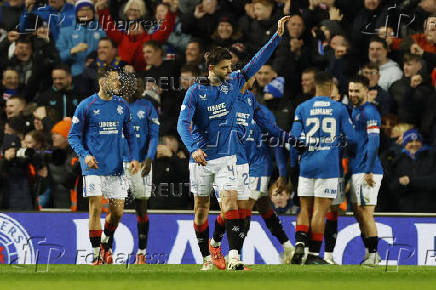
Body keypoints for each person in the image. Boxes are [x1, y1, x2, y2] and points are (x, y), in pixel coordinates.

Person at [177, 16, 291, 271]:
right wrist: (193, 147)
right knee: (200, 210)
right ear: (211, 68)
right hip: (202, 157)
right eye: (225, 68)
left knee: (230, 205)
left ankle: (234, 257)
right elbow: (182, 123)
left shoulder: (236, 82)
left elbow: (257, 62)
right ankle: (208, 256)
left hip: (227, 157)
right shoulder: (196, 91)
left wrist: (277, 36)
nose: (230, 72)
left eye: (231, 67)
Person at [209, 76, 296, 266]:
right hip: (238, 165)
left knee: (241, 210)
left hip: (258, 166)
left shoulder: (260, 111)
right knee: (263, 207)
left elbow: (275, 140)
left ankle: (234, 257)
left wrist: (282, 172)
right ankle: (289, 247)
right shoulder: (227, 108)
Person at [68, 67, 140, 265]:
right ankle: (96, 255)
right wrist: (85, 155)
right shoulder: (87, 105)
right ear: (102, 82)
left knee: (117, 213)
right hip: (93, 167)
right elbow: (73, 136)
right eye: (115, 80)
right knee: (95, 208)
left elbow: (130, 134)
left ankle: (105, 245)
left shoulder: (122, 105)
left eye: (119, 80)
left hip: (116, 166)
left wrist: (134, 157)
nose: (118, 84)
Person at [290, 71, 359, 265]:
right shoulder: (339, 108)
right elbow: (352, 138)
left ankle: (300, 243)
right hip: (328, 166)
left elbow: (293, 139)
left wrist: (293, 165)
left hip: (307, 165)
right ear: (330, 87)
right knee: (320, 211)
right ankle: (312, 255)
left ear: (315, 86)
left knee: (304, 208)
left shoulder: (302, 107)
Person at [119, 72, 159, 264]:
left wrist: (150, 158)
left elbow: (154, 135)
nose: (137, 89)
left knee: (141, 208)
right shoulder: (115, 106)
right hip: (119, 163)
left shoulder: (148, 107)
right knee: (114, 208)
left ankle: (141, 253)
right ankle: (105, 251)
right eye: (133, 85)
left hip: (141, 163)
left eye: (140, 85)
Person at [348, 75, 384, 265]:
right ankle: (368, 252)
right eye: (351, 90)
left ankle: (374, 254)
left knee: (367, 212)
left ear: (366, 92)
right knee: (359, 212)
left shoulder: (370, 112)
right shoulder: (355, 111)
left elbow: (374, 142)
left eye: (357, 91)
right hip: (357, 169)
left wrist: (369, 169)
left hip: (368, 169)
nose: (353, 94)